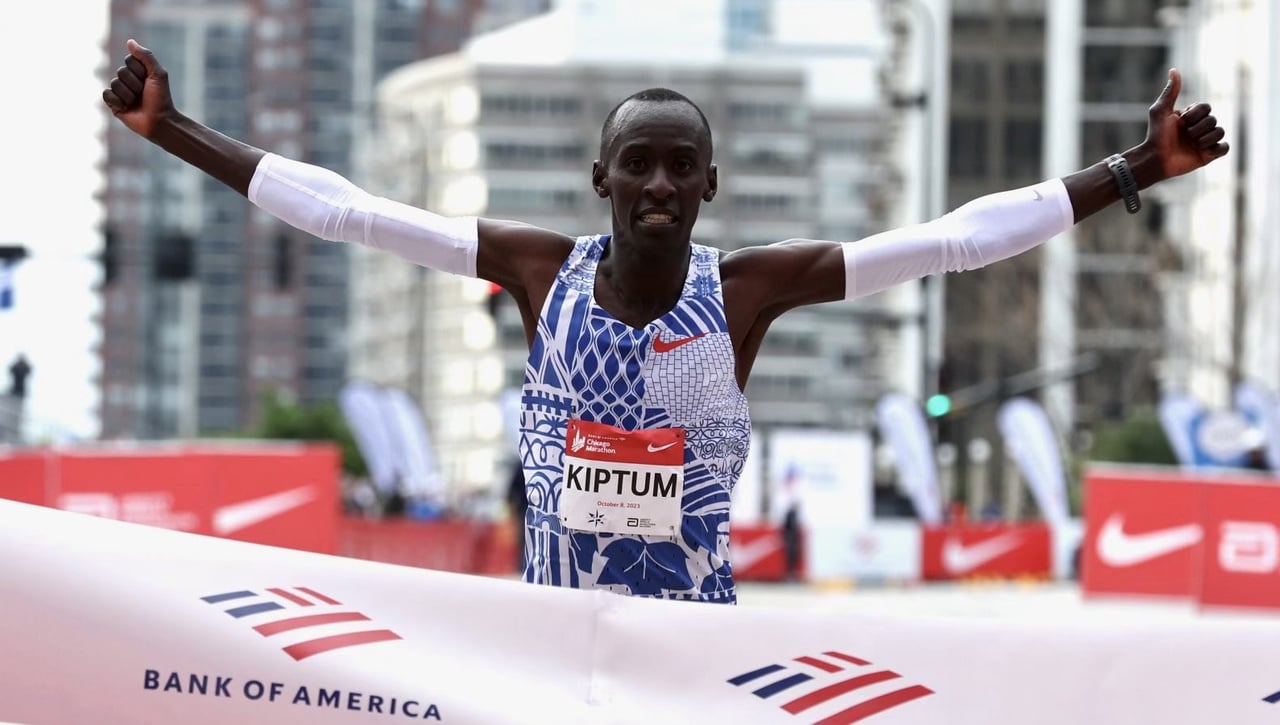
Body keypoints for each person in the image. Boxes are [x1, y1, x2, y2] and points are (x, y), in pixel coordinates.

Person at [103, 39, 1228, 604]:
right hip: (544, 645)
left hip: (691, 653)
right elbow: (346, 212)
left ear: (708, 184)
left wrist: (1133, 168)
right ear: (600, 175)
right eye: (635, 162)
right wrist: (173, 129)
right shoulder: (536, 273)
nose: (655, 181)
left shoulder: (745, 292)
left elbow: (952, 239)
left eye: (678, 166)